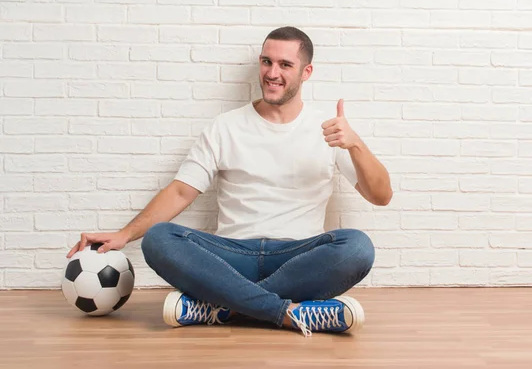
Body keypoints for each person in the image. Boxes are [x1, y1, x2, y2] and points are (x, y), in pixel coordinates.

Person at [67, 26, 393, 337]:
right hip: (231, 256)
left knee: (357, 247)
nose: (272, 72)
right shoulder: (225, 127)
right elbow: (181, 190)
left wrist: (355, 144)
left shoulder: (329, 131)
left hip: (297, 257)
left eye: (285, 64)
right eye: (266, 61)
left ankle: (222, 307)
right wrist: (125, 234)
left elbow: (381, 196)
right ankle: (289, 312)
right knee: (159, 239)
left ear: (306, 72)